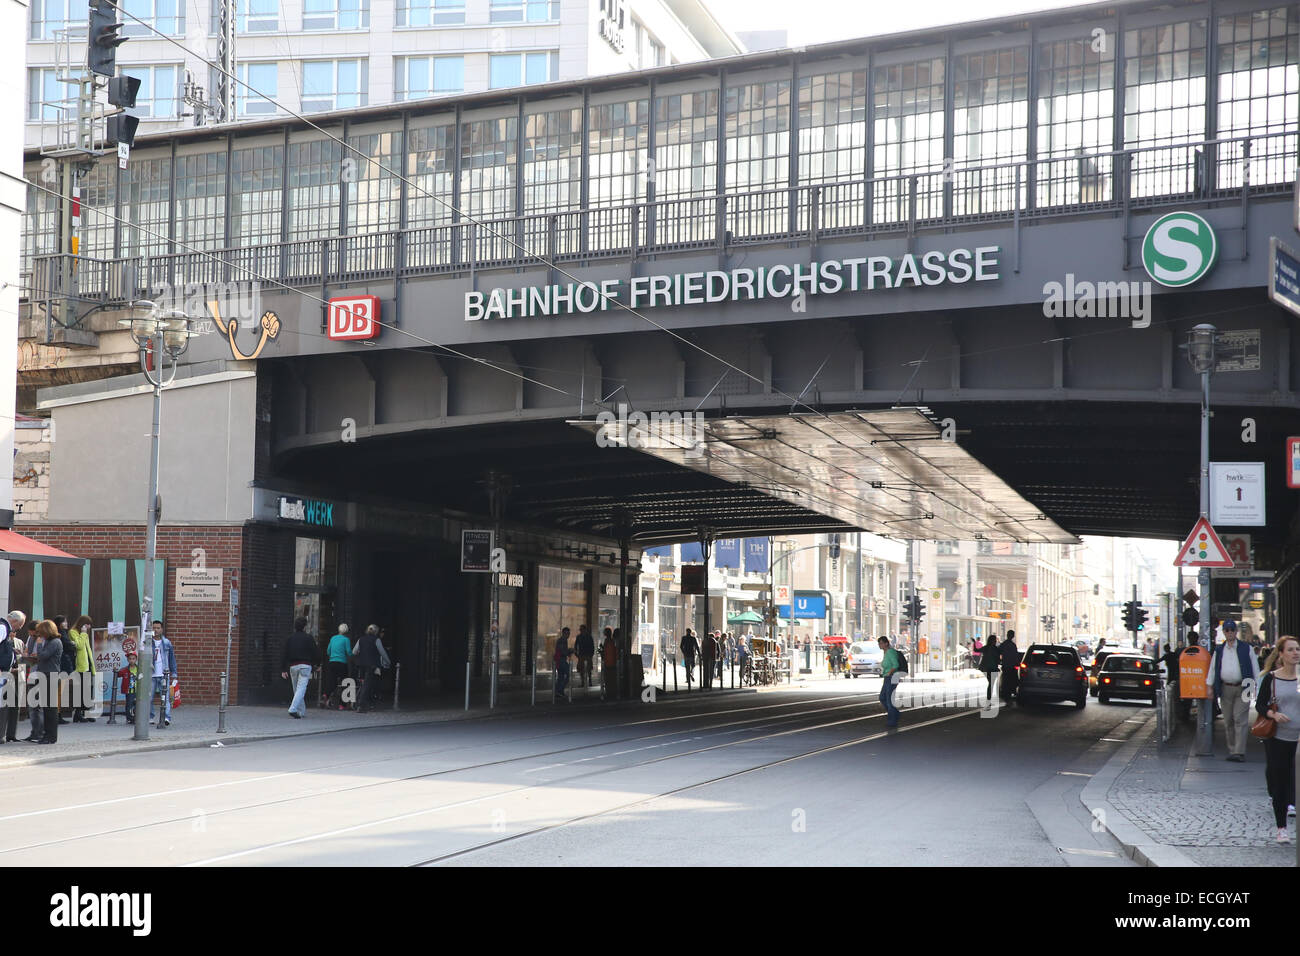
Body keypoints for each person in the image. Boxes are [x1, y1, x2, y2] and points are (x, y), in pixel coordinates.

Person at [1256, 635, 1299, 843]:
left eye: (1297, 649)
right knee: (1281, 782)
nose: (1295, 653)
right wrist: (1273, 715)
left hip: (1299, 738)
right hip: (1279, 738)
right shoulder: (1271, 679)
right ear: (1281, 654)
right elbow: (1260, 705)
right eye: (1290, 650)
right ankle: (1281, 828)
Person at [1208, 619, 1259, 762]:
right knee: (1228, 720)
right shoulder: (1219, 650)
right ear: (1224, 632)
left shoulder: (1246, 648)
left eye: (1232, 630)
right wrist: (1209, 687)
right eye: (1227, 630)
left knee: (1239, 719)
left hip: (1244, 686)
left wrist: (1257, 688)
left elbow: (1255, 668)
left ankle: (1239, 752)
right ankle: (1232, 749)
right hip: (1225, 687)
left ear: (1236, 632)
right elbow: (1213, 669)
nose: (1230, 632)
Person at [281, 617, 319, 719]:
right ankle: (293, 709)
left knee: (296, 690)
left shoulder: (290, 638)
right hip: (305, 666)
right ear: (305, 626)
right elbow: (315, 652)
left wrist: (283, 669)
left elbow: (285, 654)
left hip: (293, 666)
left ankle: (301, 711)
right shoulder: (309, 638)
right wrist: (317, 664)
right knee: (301, 689)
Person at [149, 619, 178, 726]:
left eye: (158, 628)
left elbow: (171, 659)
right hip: (151, 674)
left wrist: (174, 673)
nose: (156, 630)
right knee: (149, 697)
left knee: (165, 697)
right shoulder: (148, 642)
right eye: (154, 628)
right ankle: (150, 717)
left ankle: (166, 717)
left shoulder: (166, 643)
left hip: (163, 673)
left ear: (162, 629)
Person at [69, 615, 96, 723]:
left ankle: (86, 713)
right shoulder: (73, 632)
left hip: (87, 664)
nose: (89, 627)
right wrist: (83, 633)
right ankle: (78, 714)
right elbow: (79, 646)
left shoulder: (84, 633)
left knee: (88, 690)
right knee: (81, 691)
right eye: (87, 624)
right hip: (80, 666)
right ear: (83, 624)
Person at [0, 613, 21, 743]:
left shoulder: (5, 629)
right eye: (20, 625)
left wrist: (12, 650)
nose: (19, 629)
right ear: (14, 621)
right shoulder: (3, 628)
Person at [355, 625, 385, 713]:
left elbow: (354, 651)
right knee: (368, 684)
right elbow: (382, 652)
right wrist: (387, 662)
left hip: (361, 664)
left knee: (364, 683)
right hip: (372, 665)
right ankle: (361, 705)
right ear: (376, 632)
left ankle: (364, 702)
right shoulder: (377, 640)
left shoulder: (361, 639)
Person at [324, 623, 351, 709]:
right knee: (344, 683)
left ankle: (326, 694)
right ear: (346, 631)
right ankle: (342, 705)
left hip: (332, 662)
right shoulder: (346, 639)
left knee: (332, 681)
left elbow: (328, 651)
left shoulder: (333, 638)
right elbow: (349, 652)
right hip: (342, 663)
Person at [878, 636, 902, 729]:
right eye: (879, 643)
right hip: (887, 678)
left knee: (888, 699)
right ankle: (895, 713)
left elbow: (896, 664)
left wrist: (889, 673)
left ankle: (892, 720)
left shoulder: (890, 652)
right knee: (882, 697)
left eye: (881, 643)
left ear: (886, 643)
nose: (879, 645)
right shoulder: (885, 652)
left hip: (892, 677)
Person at [999, 630, 1020, 705]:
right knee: (1012, 680)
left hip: (1006, 666)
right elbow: (1016, 656)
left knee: (1006, 680)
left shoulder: (1003, 644)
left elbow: (999, 652)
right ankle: (1011, 692)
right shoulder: (1013, 645)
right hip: (1011, 666)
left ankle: (1006, 693)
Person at [979, 634, 1000, 703]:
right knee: (991, 684)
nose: (995, 641)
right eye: (995, 640)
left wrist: (974, 643)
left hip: (987, 668)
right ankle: (988, 700)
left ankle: (988, 699)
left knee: (991, 684)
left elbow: (977, 650)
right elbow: (998, 659)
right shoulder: (996, 649)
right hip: (992, 668)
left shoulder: (986, 648)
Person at [553, 626, 572, 700]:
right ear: (563, 633)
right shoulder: (562, 641)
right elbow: (562, 651)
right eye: (567, 633)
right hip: (561, 661)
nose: (568, 635)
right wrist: (569, 651)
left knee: (560, 677)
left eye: (569, 633)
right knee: (568, 674)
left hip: (560, 660)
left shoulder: (563, 640)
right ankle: (560, 690)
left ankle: (558, 692)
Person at [575, 624, 595, 689]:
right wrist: (577, 654)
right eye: (580, 630)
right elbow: (576, 645)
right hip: (581, 655)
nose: (581, 631)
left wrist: (591, 654)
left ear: (585, 630)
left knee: (589, 669)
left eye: (582, 629)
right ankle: (583, 682)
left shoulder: (589, 637)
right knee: (581, 669)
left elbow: (592, 646)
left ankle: (590, 681)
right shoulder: (579, 637)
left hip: (588, 654)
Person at [600, 626, 618, 700]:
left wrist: (601, 650)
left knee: (608, 679)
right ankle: (611, 692)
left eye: (604, 632)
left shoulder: (607, 641)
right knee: (612, 679)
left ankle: (609, 693)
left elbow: (606, 652)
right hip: (613, 662)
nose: (603, 633)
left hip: (608, 663)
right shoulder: (612, 641)